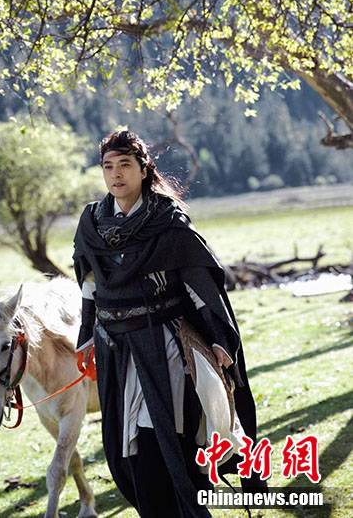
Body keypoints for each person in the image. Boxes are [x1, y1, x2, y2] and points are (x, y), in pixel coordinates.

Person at [73, 130, 264, 518]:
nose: (116, 174)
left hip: (164, 344)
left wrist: (219, 338)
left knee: (162, 438)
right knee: (128, 447)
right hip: (117, 350)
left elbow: (198, 285)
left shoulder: (167, 221)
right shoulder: (92, 222)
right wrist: (85, 336)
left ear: (143, 170)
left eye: (125, 165)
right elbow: (90, 285)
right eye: (108, 166)